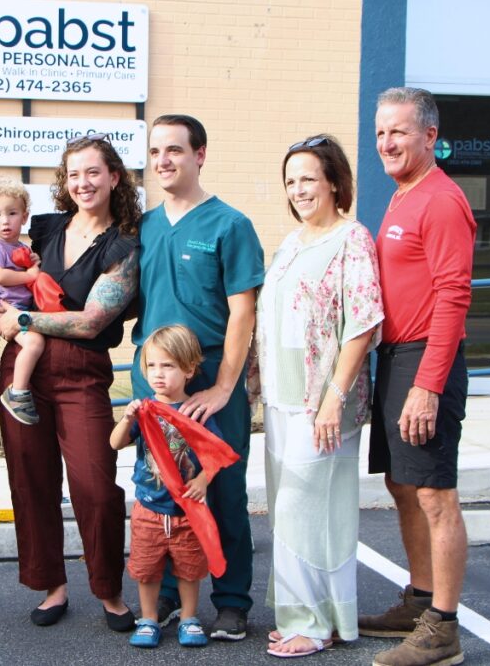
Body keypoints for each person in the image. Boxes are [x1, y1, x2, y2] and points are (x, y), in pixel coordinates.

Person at [0, 133, 141, 632]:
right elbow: (1, 275)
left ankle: (109, 590)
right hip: (24, 372)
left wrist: (25, 322)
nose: (83, 183)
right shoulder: (46, 228)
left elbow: (93, 321)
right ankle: (52, 586)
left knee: (96, 487)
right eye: (74, 174)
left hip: (81, 371)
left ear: (114, 177)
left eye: (93, 172)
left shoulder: (123, 244)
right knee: (32, 482)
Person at [133, 114, 265, 640]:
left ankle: (231, 601)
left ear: (200, 155)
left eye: (175, 150)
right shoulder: (143, 228)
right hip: (155, 377)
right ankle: (167, 596)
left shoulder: (229, 226)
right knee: (161, 489)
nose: (163, 161)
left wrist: (223, 387)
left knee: (222, 489)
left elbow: (243, 314)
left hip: (211, 378)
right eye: (156, 151)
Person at [361, 87, 476, 666]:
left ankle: (444, 630)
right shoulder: (402, 195)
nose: (386, 143)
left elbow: (454, 295)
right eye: (381, 132)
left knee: (434, 492)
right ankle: (420, 600)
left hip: (427, 358)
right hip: (396, 357)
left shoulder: (442, 200)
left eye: (398, 132)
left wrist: (428, 385)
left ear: (429, 136)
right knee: (402, 486)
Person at [257, 135, 384, 658]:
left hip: (321, 405)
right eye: (291, 181)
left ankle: (311, 622)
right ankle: (307, 616)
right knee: (297, 511)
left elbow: (362, 324)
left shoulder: (353, 239)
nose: (299, 189)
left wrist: (333, 397)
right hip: (281, 401)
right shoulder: (292, 242)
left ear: (334, 180)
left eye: (308, 178)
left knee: (300, 510)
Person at [110, 325, 220, 649]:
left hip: (187, 509)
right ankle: (148, 619)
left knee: (188, 569)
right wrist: (126, 418)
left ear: (189, 370)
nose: (158, 374)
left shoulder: (195, 413)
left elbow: (216, 455)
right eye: (153, 366)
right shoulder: (144, 411)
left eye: (168, 366)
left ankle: (189, 617)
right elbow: (114, 443)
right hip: (148, 507)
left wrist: (202, 480)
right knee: (146, 569)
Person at [0, 179, 45, 425]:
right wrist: (29, 275)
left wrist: (33, 261)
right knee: (35, 343)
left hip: (21, 310)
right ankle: (17, 392)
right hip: (4, 311)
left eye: (12, 213)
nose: (5, 221)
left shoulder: (21, 247)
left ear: (25, 216)